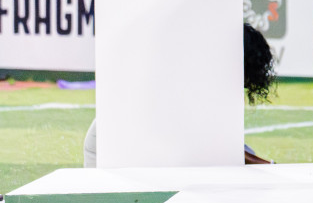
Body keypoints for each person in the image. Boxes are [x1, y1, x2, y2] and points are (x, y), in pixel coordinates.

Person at [83, 24, 278, 166]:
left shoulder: (201, 75)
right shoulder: (194, 80)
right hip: (113, 148)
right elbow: (210, 145)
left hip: (128, 144)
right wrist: (266, 166)